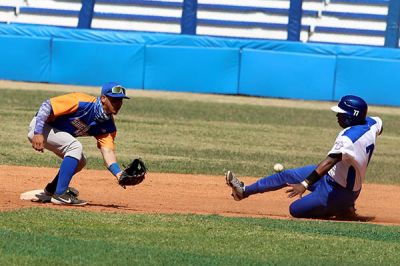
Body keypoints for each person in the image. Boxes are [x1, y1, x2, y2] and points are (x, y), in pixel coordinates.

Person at [226, 95, 382, 219]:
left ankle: (342, 210)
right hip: (331, 178)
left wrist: (304, 184)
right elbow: (380, 123)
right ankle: (243, 191)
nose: (337, 116)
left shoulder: (348, 139)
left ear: (351, 117)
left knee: (295, 209)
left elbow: (328, 163)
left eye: (341, 113)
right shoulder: (371, 123)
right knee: (286, 175)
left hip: (339, 192)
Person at [27, 82, 129, 206]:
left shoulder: (108, 126)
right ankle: (61, 195)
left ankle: (51, 190)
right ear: (103, 98)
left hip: (56, 134)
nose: (118, 104)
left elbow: (107, 151)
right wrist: (38, 132)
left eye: (120, 101)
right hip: (42, 126)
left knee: (80, 160)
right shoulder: (81, 101)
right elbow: (47, 105)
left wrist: (119, 174)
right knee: (75, 147)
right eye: (114, 100)